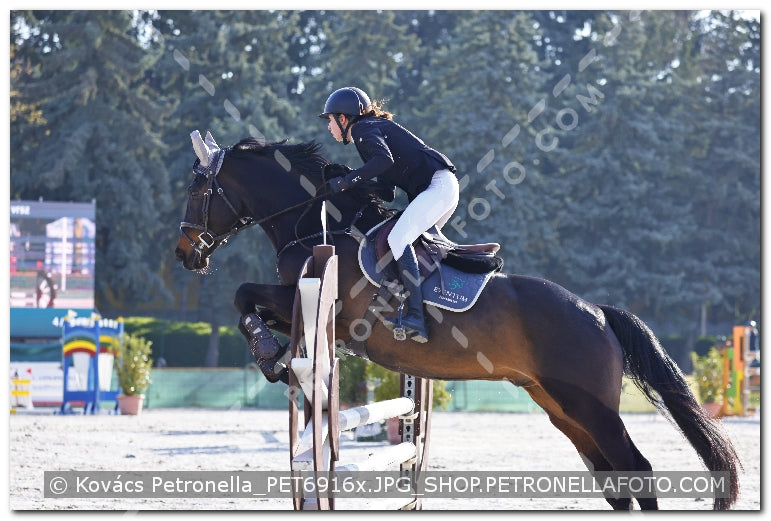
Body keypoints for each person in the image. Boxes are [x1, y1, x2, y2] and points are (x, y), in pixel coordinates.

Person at [319, 86, 459, 343]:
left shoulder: (362, 128)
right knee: (413, 247)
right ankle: (429, 308)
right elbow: (387, 191)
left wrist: (347, 181)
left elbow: (383, 161)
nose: (329, 127)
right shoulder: (370, 130)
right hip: (441, 188)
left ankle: (417, 316)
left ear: (343, 118)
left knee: (398, 239)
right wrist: (348, 179)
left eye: (330, 120)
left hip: (437, 187)